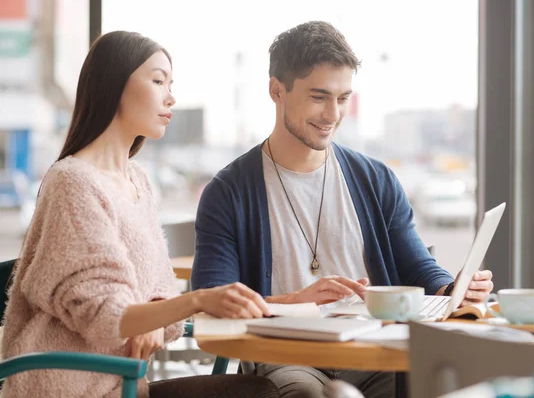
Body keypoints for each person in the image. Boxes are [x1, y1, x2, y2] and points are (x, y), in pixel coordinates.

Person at [191, 21, 493, 398]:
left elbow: (417, 268)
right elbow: (209, 301)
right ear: (276, 90)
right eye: (319, 97)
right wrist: (293, 302)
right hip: (288, 358)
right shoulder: (229, 192)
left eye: (343, 97)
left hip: (376, 353)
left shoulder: (375, 179)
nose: (333, 114)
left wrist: (453, 289)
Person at [0, 31, 279, 398]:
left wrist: (153, 311)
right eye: (158, 80)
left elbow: (155, 290)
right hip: (76, 386)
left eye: (171, 83)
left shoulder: (138, 181)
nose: (171, 96)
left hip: (127, 383)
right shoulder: (72, 182)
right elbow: (107, 318)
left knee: (264, 389)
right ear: (114, 85)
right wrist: (192, 300)